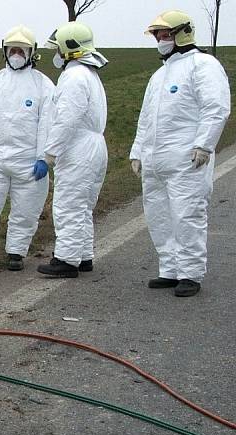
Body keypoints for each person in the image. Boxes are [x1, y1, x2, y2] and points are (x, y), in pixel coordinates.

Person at [130, 11, 231, 297]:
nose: (161, 40)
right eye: (158, 35)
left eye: (165, 34)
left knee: (187, 216)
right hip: (155, 161)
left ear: (182, 33)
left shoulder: (203, 65)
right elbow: (145, 119)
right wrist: (137, 152)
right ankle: (170, 269)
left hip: (186, 160)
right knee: (158, 216)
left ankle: (190, 273)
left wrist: (203, 145)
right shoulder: (159, 75)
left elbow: (216, 107)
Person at [0, 26, 55, 271]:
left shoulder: (43, 86)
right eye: (12, 49)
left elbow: (48, 124)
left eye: (21, 50)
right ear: (5, 51)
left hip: (28, 163)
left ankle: (16, 253)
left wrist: (44, 158)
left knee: (25, 212)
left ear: (31, 53)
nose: (16, 54)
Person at [37, 22, 108, 278]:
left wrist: (50, 152)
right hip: (93, 146)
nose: (55, 54)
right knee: (84, 205)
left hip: (78, 147)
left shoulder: (74, 77)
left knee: (69, 204)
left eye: (57, 49)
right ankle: (83, 255)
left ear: (69, 49)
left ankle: (67, 259)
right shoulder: (89, 74)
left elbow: (66, 118)